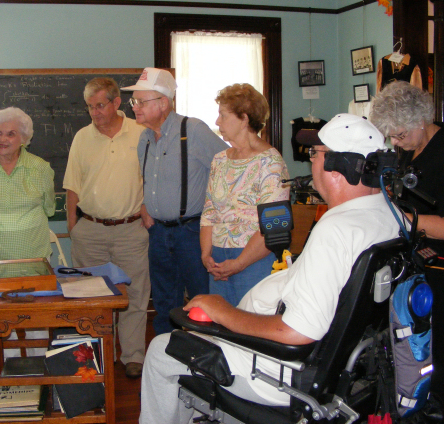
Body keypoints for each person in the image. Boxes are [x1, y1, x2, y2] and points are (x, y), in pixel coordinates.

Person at [139, 114, 401, 424]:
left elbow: (296, 329)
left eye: (315, 154)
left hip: (274, 351)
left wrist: (227, 299)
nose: (311, 162)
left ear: (338, 166)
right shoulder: (392, 216)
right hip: (339, 359)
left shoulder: (327, 221)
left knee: (163, 349)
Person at [122, 68, 228, 335]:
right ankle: (166, 359)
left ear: (163, 103)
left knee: (202, 303)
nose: (135, 108)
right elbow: (148, 180)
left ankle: (205, 362)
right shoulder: (144, 138)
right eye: (133, 102)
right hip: (158, 233)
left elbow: (227, 172)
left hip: (192, 233)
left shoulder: (193, 130)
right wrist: (146, 207)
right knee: (164, 303)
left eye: (140, 102)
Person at [370, 80, 444, 411]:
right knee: (408, 345)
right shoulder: (406, 151)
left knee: (434, 348)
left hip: (442, 270)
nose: (396, 141)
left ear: (420, 119)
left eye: (400, 134)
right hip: (414, 264)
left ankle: (436, 403)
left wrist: (401, 219)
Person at [63, 77, 150, 379]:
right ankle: (95, 356)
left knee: (134, 297)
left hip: (130, 230)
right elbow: (72, 189)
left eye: (100, 105)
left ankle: (133, 357)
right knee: (88, 298)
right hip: (90, 231)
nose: (95, 113)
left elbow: (153, 179)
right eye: (90, 107)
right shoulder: (82, 138)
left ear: (116, 103)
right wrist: (74, 228)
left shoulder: (141, 134)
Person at [201, 84, 289, 306]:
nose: (217, 122)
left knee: (250, 327)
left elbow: (273, 228)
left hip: (254, 260)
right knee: (219, 327)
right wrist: (206, 256)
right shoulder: (220, 160)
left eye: (223, 115)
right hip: (218, 260)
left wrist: (239, 263)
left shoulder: (270, 162)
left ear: (244, 119)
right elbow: (209, 211)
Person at [0, 106, 56, 265]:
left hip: (34, 257)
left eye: (10, 134)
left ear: (23, 139)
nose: (2, 139)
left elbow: (49, 208)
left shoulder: (41, 168)